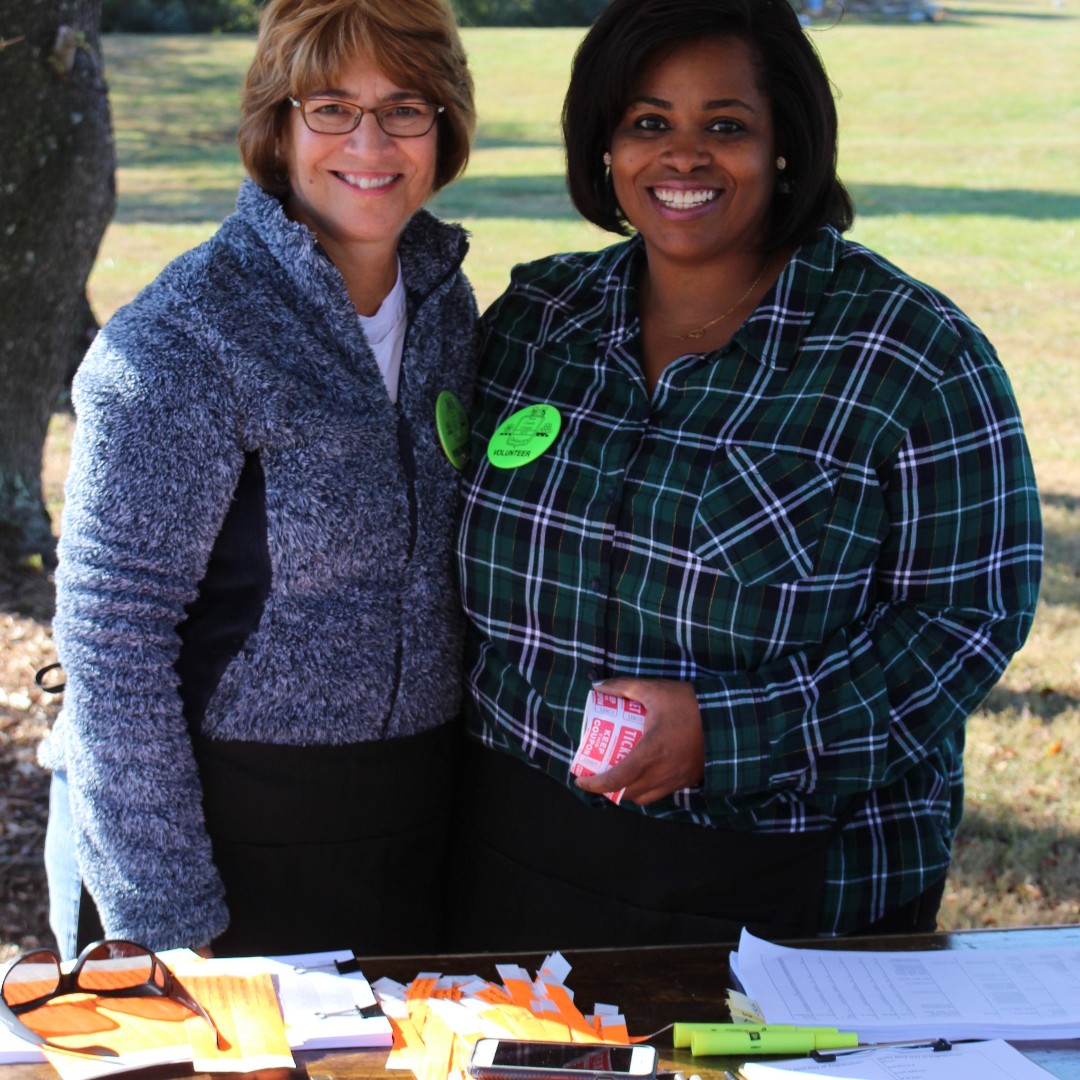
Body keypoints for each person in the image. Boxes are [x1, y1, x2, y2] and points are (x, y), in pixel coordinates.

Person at [453, 0, 1041, 948]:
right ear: (605, 146)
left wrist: (726, 734)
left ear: (785, 147)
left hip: (789, 882)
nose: (682, 157)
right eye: (649, 123)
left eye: (725, 126)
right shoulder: (536, 323)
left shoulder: (911, 357)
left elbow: (965, 620)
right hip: (516, 862)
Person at [41, 0, 477, 958]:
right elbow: (112, 642)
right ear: (277, 130)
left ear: (444, 129)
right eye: (330, 107)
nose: (370, 141)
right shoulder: (183, 337)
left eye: (406, 107)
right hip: (223, 846)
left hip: (414, 834)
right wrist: (166, 924)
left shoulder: (447, 304)